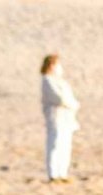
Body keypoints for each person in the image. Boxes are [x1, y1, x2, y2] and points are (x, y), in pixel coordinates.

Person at [41, 54, 81, 183]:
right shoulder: (47, 81)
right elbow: (59, 98)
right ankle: (53, 174)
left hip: (67, 117)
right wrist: (71, 103)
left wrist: (74, 104)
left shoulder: (61, 81)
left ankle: (62, 173)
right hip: (56, 116)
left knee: (65, 145)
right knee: (55, 144)